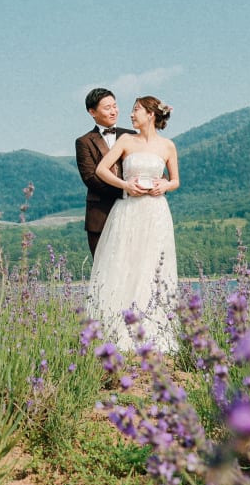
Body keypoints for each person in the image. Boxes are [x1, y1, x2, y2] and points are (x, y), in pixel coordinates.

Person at [86, 96, 179, 353]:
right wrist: (126, 185)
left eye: (135, 110)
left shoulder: (168, 146)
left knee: (152, 266)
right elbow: (101, 170)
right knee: (124, 263)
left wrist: (165, 185)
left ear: (150, 114)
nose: (130, 115)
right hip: (128, 209)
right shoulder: (125, 141)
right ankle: (117, 329)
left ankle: (153, 330)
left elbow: (175, 181)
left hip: (156, 211)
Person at [75, 88, 135, 256]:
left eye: (115, 106)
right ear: (92, 112)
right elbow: (90, 177)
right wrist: (125, 189)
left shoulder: (132, 135)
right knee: (102, 270)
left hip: (132, 211)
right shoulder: (84, 142)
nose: (113, 111)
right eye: (107, 108)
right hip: (100, 215)